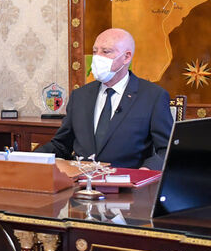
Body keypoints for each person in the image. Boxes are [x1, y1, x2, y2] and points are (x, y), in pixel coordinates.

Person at [35, 28, 173, 169]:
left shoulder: (153, 96)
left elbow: (167, 149)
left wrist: (145, 171)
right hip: (82, 183)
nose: (97, 57)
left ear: (126, 57)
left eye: (106, 52)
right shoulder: (80, 96)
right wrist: (28, 158)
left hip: (127, 184)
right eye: (95, 52)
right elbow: (61, 145)